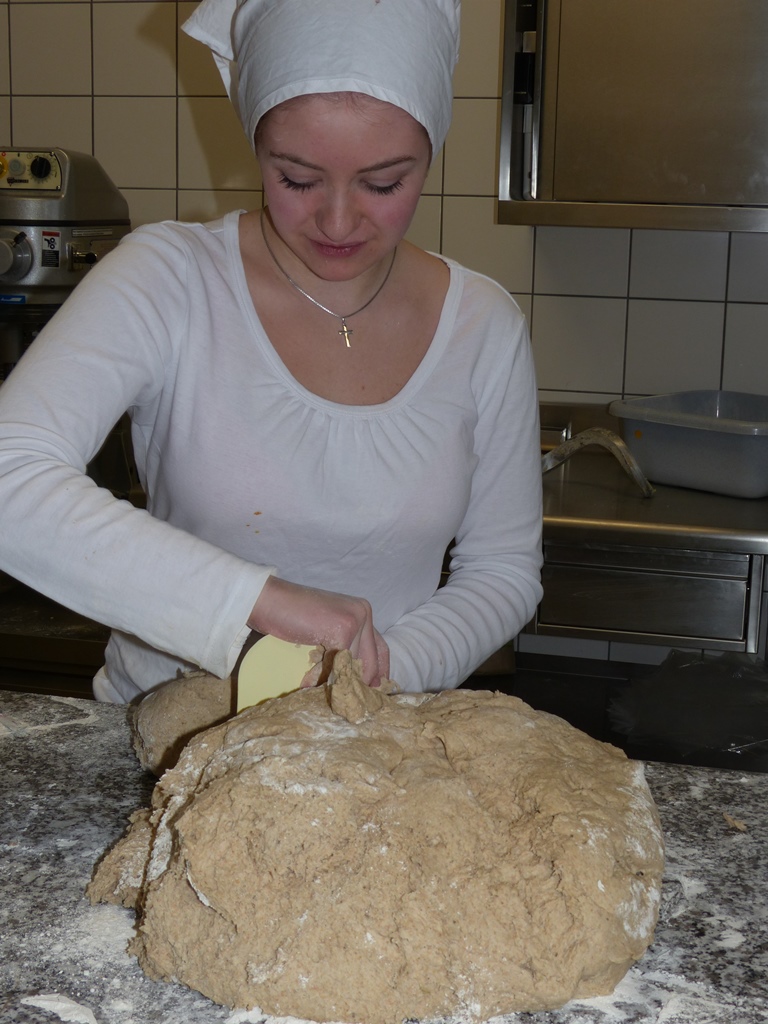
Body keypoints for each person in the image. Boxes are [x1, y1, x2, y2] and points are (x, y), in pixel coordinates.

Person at [0, 0, 543, 703]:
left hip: (374, 747)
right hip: (163, 744)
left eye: (384, 183)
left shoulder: (483, 325)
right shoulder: (171, 278)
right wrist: (259, 604)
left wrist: (375, 673)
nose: (339, 220)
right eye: (296, 178)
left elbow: (502, 570)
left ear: (432, 152)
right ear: (256, 146)